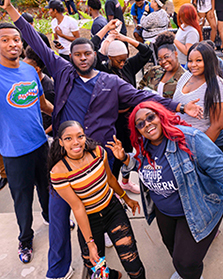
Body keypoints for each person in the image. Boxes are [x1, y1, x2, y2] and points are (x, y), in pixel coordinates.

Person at [3, 1, 203, 277]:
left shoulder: (113, 83)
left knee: (99, 208)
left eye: (87, 53)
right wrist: (13, 12)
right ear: (71, 57)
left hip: (98, 159)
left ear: (95, 55)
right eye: (77, 54)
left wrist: (179, 107)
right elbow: (36, 42)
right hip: (64, 158)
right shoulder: (62, 72)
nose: (83, 58)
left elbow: (145, 96)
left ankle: (103, 255)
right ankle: (58, 268)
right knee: (58, 212)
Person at [106, 101, 223, 279]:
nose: (147, 124)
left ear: (161, 116)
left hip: (197, 208)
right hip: (164, 211)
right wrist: (125, 159)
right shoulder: (144, 145)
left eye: (150, 117)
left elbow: (221, 168)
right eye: (140, 123)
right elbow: (142, 165)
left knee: (186, 262)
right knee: (173, 250)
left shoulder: (190, 139)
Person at [50, 121, 145, 279]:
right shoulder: (59, 172)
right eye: (68, 138)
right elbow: (78, 207)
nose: (76, 142)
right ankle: (112, 275)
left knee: (133, 263)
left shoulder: (98, 152)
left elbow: (110, 179)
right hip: (89, 220)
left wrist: (126, 198)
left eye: (80, 136)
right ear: (60, 142)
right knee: (98, 271)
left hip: (113, 211)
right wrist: (90, 242)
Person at [0, 22, 53, 263]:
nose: (12, 43)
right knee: (22, 199)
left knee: (47, 189)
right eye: (5, 40)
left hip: (40, 143)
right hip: (14, 151)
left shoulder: (30, 71)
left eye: (16, 39)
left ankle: (52, 218)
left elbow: (43, 104)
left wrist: (65, 116)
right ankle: (25, 239)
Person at [97, 30, 153, 193]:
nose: (122, 63)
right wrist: (106, 43)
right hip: (112, 121)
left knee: (130, 153)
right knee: (115, 155)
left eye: (124, 59)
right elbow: (94, 60)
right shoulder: (102, 70)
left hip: (129, 119)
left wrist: (123, 38)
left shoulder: (128, 66)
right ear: (110, 58)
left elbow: (146, 52)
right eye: (119, 61)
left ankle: (125, 181)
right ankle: (112, 188)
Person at [173, 42, 223, 155]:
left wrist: (198, 150)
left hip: (197, 148)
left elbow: (217, 126)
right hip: (177, 142)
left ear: (209, 61)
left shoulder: (219, 86)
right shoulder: (185, 76)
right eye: (190, 61)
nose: (193, 65)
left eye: (198, 60)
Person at [139, 31, 185, 98]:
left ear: (175, 54)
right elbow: (140, 89)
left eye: (166, 57)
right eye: (160, 59)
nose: (163, 61)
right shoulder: (154, 72)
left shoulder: (184, 78)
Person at [23, 46, 55, 137]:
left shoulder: (48, 91)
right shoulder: (30, 83)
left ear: (37, 69)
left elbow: (58, 117)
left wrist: (43, 134)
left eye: (25, 68)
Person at [174, 3, 202, 67]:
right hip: (178, 62)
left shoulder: (192, 32)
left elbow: (188, 52)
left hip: (185, 65)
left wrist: (175, 41)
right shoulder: (183, 26)